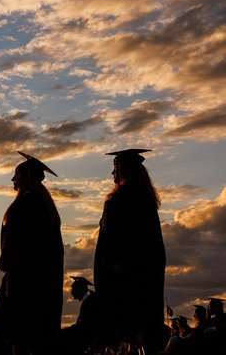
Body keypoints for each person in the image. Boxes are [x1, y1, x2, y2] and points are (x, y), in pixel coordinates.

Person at [94, 149, 166, 353]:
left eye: (115, 168)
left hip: (124, 274)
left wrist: (116, 263)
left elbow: (113, 238)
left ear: (125, 169)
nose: (112, 174)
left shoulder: (120, 199)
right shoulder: (146, 199)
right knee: (143, 325)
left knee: (133, 322)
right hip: (145, 272)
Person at [0, 151, 64, 355]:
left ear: (26, 178)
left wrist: (7, 257)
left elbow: (21, 241)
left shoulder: (26, 204)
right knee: (31, 336)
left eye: (17, 174)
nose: (13, 179)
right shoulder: (43, 204)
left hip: (23, 283)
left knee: (19, 335)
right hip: (38, 283)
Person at [61, 276, 101, 354]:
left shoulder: (90, 302)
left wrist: (69, 330)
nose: (72, 292)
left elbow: (85, 325)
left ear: (80, 289)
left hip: (88, 338)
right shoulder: (89, 300)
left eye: (73, 289)